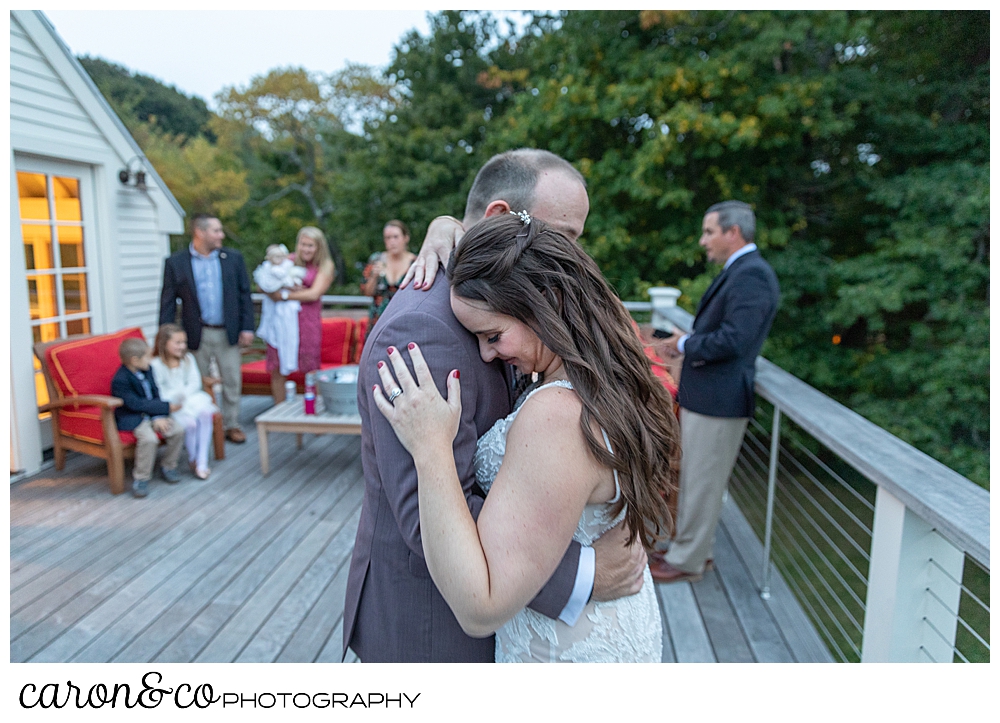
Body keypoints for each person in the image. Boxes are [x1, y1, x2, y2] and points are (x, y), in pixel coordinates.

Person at [343, 148, 649, 663]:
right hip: (435, 628)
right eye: (565, 236)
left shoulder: (517, 301)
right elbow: (429, 511)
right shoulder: (427, 328)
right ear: (502, 218)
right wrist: (582, 573)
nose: (575, 254)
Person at [652, 200, 780, 583]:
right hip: (708, 396)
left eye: (709, 232)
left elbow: (735, 340)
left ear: (733, 232)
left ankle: (687, 561)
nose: (703, 240)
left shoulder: (752, 275)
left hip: (720, 400)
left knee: (703, 483)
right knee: (695, 478)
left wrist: (686, 345)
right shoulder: (740, 271)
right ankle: (692, 550)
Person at [159, 214, 254, 443]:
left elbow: (244, 295)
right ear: (200, 233)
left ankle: (231, 424)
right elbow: (168, 301)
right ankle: (205, 424)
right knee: (198, 382)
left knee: (232, 379)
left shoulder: (233, 258)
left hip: (227, 331)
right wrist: (166, 336)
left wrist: (248, 327)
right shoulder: (176, 262)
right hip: (195, 333)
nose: (221, 235)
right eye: (216, 231)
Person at [263, 227, 335, 403]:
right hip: (283, 321)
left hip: (307, 322)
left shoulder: (326, 265)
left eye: (311, 245)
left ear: (319, 247)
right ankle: (279, 413)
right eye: (303, 244)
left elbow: (313, 294)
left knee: (309, 367)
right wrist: (272, 290)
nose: (306, 249)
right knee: (278, 366)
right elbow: (265, 281)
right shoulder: (287, 260)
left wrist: (283, 296)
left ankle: (312, 413)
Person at [111, 337, 185, 498]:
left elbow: (156, 392)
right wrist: (164, 408)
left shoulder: (148, 369)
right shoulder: (120, 380)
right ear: (134, 360)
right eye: (147, 356)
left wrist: (159, 415)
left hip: (153, 412)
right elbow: (135, 404)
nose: (150, 360)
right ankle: (141, 478)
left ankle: (168, 466)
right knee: (149, 439)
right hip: (134, 416)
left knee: (177, 430)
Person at [150, 324, 219, 481]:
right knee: (190, 424)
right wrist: (176, 397)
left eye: (184, 342)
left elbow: (195, 382)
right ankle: (192, 458)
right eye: (177, 342)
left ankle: (202, 462)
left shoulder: (188, 359)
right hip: (171, 405)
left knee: (205, 412)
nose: (182, 346)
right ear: (164, 343)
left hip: (191, 398)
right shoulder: (156, 364)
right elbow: (159, 390)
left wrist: (184, 395)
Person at [253, 243, 306, 377]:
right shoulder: (267, 269)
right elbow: (263, 286)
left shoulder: (289, 266)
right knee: (275, 362)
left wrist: (282, 294)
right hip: (274, 315)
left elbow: (308, 291)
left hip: (295, 315)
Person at [360, 220, 416, 327]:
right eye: (388, 238)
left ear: (405, 238)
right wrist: (374, 276)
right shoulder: (376, 259)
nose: (392, 241)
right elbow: (366, 292)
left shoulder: (415, 263)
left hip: (404, 320)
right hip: (378, 321)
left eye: (395, 237)